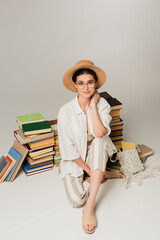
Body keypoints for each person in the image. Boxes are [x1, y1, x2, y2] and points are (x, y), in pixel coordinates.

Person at [58, 60, 123, 234]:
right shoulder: (65, 111)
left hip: (98, 151)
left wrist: (93, 105)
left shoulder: (102, 105)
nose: (86, 88)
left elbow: (100, 133)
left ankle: (90, 207)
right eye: (81, 83)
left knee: (99, 140)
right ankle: (101, 174)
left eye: (90, 82)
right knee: (76, 200)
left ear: (95, 84)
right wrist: (90, 171)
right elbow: (68, 150)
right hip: (76, 159)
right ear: (75, 85)